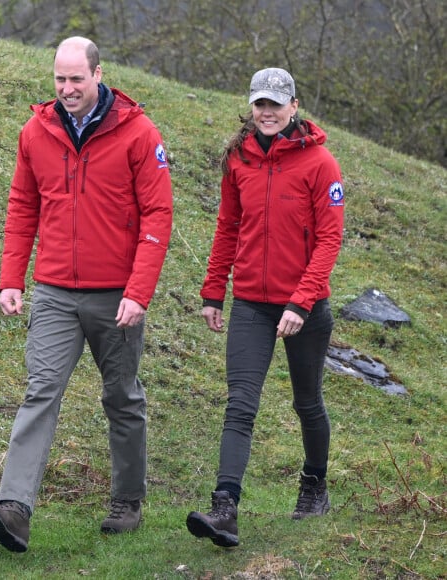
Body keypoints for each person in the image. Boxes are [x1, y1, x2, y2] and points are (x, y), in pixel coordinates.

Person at [0, 36, 173, 553]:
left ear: (98, 74)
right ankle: (14, 508)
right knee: (41, 391)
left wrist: (139, 292)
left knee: (121, 398)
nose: (66, 89)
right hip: (55, 292)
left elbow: (158, 216)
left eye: (76, 79)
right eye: (59, 79)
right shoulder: (35, 132)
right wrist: (12, 278)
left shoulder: (138, 133)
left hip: (117, 296)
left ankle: (127, 501)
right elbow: (22, 207)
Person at [186, 68, 344, 548]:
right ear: (251, 107)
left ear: (294, 106)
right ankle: (224, 509)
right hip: (251, 304)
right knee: (240, 404)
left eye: (276, 104)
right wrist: (214, 290)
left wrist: (301, 301)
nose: (268, 112)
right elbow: (227, 227)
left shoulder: (321, 164)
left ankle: (314, 486)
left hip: (306, 308)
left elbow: (329, 241)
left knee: (306, 402)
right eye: (260, 104)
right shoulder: (238, 159)